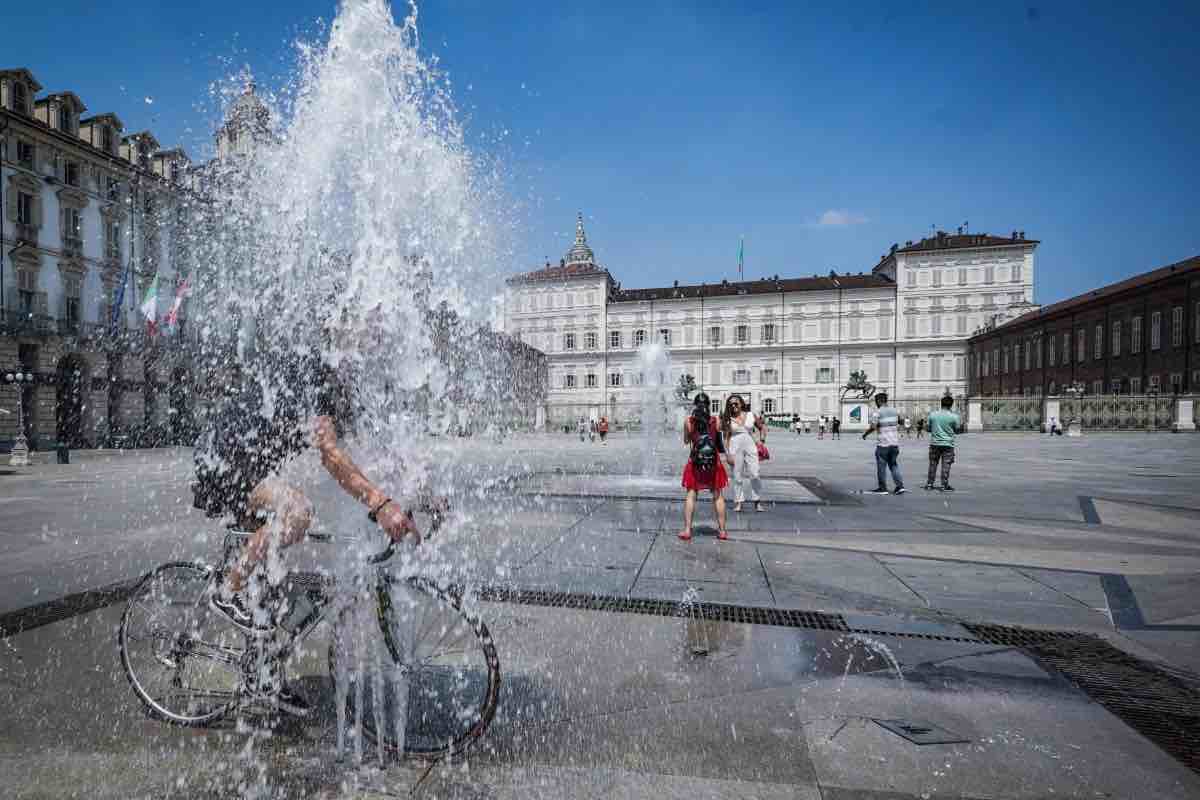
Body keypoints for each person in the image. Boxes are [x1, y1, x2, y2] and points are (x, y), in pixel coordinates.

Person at [679, 392, 731, 541]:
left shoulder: (688, 421)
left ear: (695, 405)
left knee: (691, 495)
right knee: (718, 496)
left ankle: (688, 530)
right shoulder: (716, 420)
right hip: (713, 463)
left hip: (695, 463)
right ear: (708, 405)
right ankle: (722, 531)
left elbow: (685, 441)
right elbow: (719, 440)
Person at [723, 394, 765, 513]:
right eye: (731, 404)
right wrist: (728, 454)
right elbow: (726, 438)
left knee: (755, 473)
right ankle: (739, 502)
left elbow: (762, 427)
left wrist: (762, 441)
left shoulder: (751, 415)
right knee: (737, 476)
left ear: (741, 403)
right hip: (734, 447)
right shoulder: (727, 418)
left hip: (750, 445)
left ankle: (757, 501)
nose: (733, 406)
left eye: (736, 403)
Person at [862, 392, 905, 495]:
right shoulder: (895, 411)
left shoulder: (877, 412)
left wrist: (865, 434)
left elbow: (873, 426)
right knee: (893, 465)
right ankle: (900, 486)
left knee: (881, 466)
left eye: (876, 401)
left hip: (883, 444)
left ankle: (882, 488)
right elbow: (902, 421)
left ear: (879, 401)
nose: (876, 404)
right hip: (894, 444)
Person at [925, 396, 961, 491]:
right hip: (948, 444)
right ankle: (944, 485)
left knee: (933, 464)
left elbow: (928, 429)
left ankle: (929, 484)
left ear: (941, 403)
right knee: (946, 465)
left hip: (935, 443)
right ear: (951, 405)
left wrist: (935, 429)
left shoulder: (932, 415)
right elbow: (957, 430)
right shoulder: (954, 417)